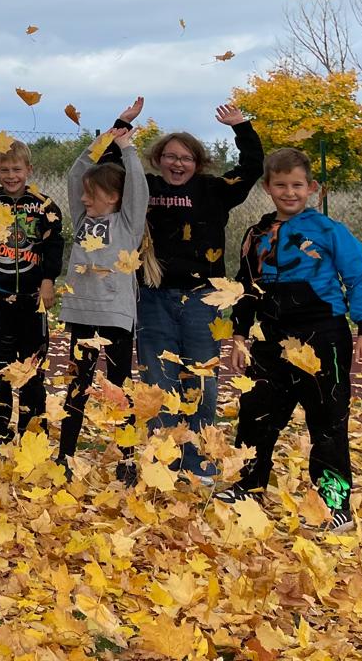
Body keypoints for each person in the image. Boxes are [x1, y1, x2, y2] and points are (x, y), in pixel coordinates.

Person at [218, 147, 362, 533]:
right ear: (267, 187)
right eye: (281, 185)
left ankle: (334, 504)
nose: (289, 192)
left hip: (322, 336)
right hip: (269, 338)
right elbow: (246, 288)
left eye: (297, 185)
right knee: (256, 412)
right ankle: (248, 487)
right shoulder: (256, 235)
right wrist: (239, 335)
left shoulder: (330, 231)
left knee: (327, 419)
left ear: (312, 188)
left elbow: (358, 278)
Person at [139, 103, 263, 482]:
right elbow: (104, 172)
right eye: (171, 157)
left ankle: (196, 460)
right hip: (153, 297)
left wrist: (241, 126)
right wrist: (122, 127)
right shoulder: (144, 188)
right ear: (158, 160)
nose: (178, 164)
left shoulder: (213, 191)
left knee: (201, 381)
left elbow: (252, 168)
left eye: (186, 158)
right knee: (159, 381)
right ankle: (164, 460)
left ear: (198, 163)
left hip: (202, 299)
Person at [57, 99, 149, 481]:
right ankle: (64, 457)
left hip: (115, 318)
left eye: (91, 194)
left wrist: (127, 148)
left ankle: (127, 461)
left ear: (112, 196)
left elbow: (137, 187)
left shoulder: (127, 223)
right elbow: (76, 173)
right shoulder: (83, 219)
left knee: (119, 388)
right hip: (82, 314)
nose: (82, 198)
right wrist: (113, 130)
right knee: (76, 386)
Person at [0, 138, 64, 447]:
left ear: (29, 169)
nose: (11, 175)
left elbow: (54, 244)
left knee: (32, 370)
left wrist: (48, 280)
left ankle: (34, 436)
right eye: (5, 169)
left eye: (17, 169)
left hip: (33, 299)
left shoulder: (45, 205)